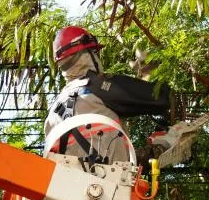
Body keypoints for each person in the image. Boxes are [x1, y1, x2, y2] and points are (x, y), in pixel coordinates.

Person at [45, 26, 178, 166]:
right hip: (106, 184)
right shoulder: (95, 86)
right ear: (86, 55)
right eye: (95, 53)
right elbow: (162, 97)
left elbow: (88, 157)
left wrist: (156, 149)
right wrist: (149, 71)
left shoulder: (52, 115)